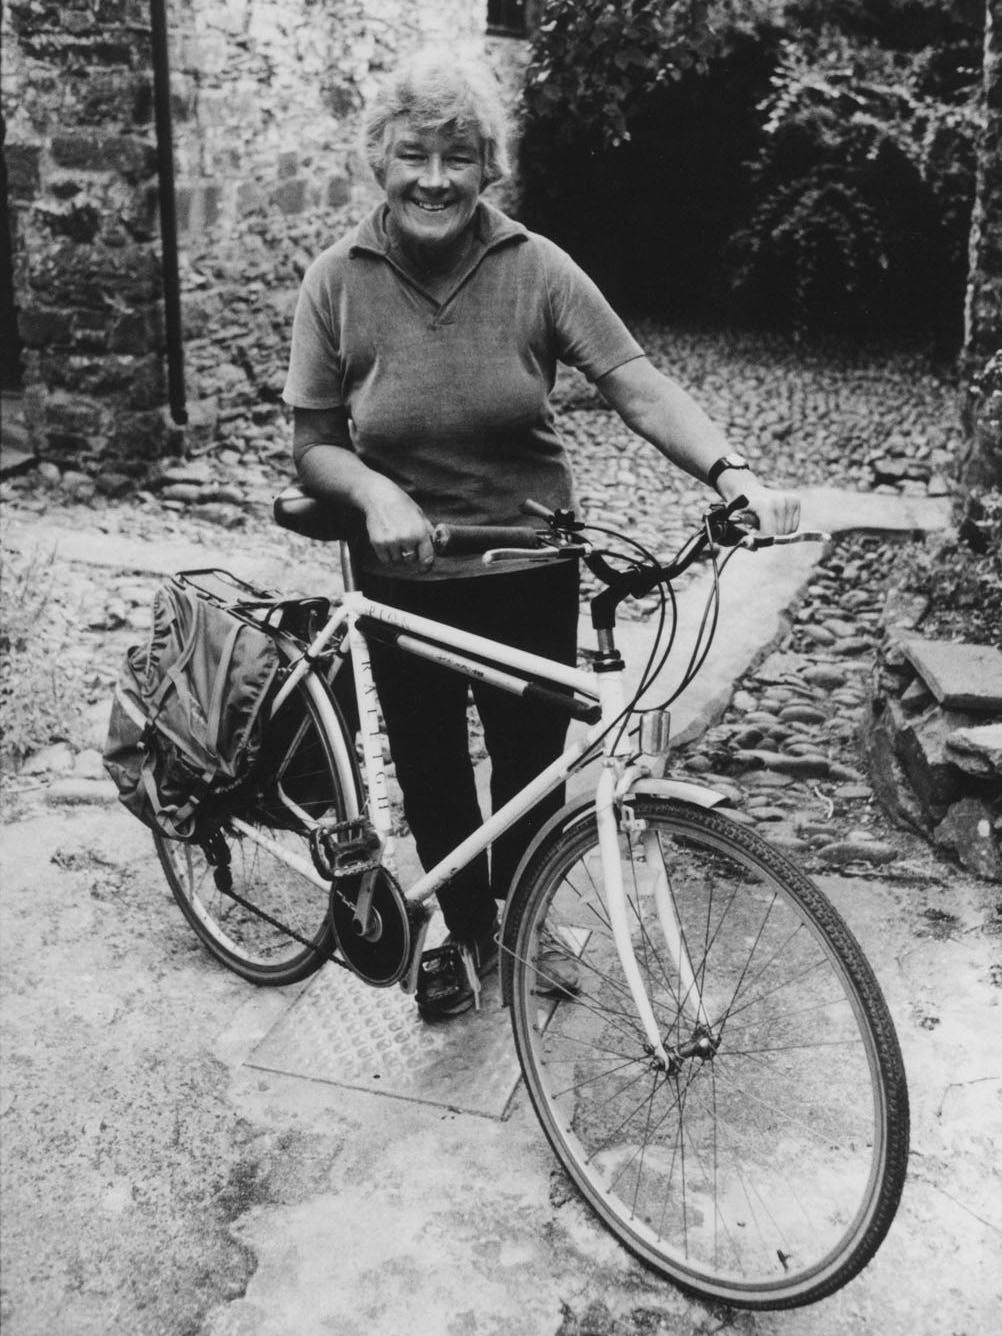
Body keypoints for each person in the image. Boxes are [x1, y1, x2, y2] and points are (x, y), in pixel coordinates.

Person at [283, 49, 800, 1019]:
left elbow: (635, 382)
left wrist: (733, 474)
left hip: (530, 562)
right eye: (413, 155)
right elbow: (313, 445)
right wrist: (377, 494)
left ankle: (519, 918)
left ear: (490, 167)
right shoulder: (335, 280)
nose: (435, 178)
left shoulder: (536, 266)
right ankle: (459, 930)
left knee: (531, 763)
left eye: (459, 156)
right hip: (407, 571)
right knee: (432, 763)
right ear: (377, 164)